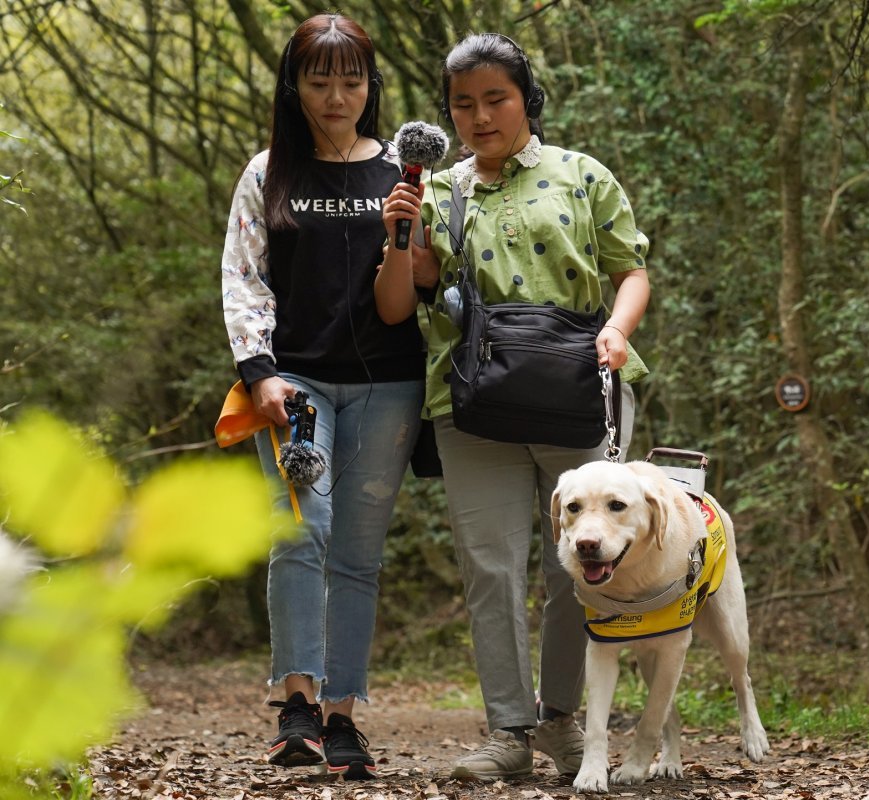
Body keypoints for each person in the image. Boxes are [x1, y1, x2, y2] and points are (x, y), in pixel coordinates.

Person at [375, 32, 650, 781]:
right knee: (490, 567)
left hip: (579, 388)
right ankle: (507, 732)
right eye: (463, 104)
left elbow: (631, 272)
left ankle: (563, 723)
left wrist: (618, 333)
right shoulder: (438, 191)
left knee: (579, 563)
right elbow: (399, 306)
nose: (480, 115)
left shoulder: (581, 175)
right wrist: (400, 235)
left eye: (495, 98)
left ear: (526, 97)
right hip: (471, 404)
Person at [220, 13, 426, 780]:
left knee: (359, 554)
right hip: (295, 382)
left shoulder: (404, 170)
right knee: (302, 528)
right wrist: (259, 370)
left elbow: (430, 276)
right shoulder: (270, 170)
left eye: (351, 80)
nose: (336, 96)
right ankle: (297, 705)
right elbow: (242, 277)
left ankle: (343, 716)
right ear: (294, 86)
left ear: (370, 86)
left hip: (389, 383)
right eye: (319, 80)